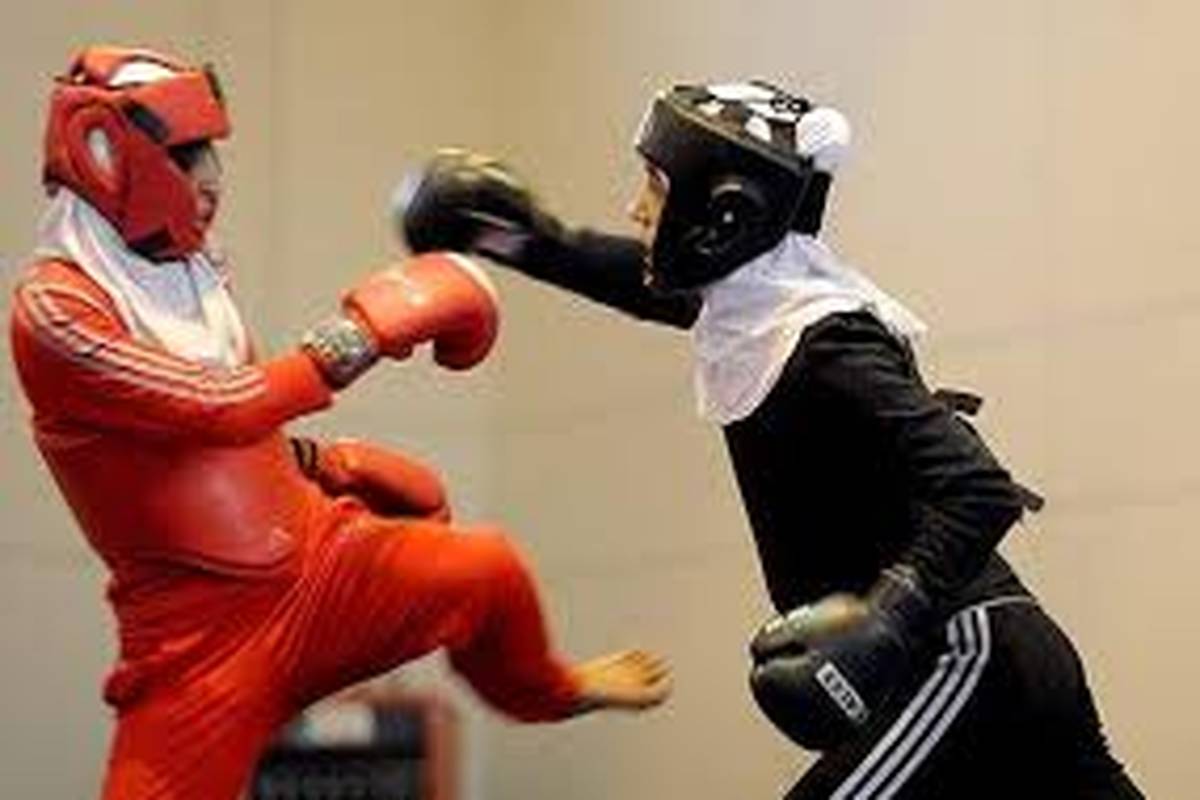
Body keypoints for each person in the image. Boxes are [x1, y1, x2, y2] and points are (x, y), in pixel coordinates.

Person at [398, 81, 1143, 798]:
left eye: (655, 187)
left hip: (966, 658)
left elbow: (978, 487)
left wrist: (889, 614)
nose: (636, 207)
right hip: (990, 659)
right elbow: (640, 284)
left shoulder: (825, 342)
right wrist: (510, 237)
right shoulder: (760, 313)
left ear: (722, 214)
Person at [8, 45, 670, 800]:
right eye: (187, 155)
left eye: (211, 152)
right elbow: (214, 406)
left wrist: (318, 464)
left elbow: (194, 438)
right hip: (200, 639)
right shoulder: (54, 308)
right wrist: (361, 336)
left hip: (320, 567)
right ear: (104, 154)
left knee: (488, 570)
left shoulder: (186, 273)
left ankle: (552, 689)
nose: (211, 177)